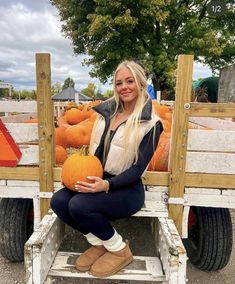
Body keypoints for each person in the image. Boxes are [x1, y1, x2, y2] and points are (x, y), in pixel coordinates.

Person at [50, 60, 163, 277]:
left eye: (130, 81)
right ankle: (100, 243)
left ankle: (120, 250)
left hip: (127, 188)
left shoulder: (151, 123)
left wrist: (106, 185)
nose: (124, 87)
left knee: (79, 206)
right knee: (60, 201)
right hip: (99, 179)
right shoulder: (105, 114)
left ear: (140, 83)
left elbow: (139, 168)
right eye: (119, 83)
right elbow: (95, 154)